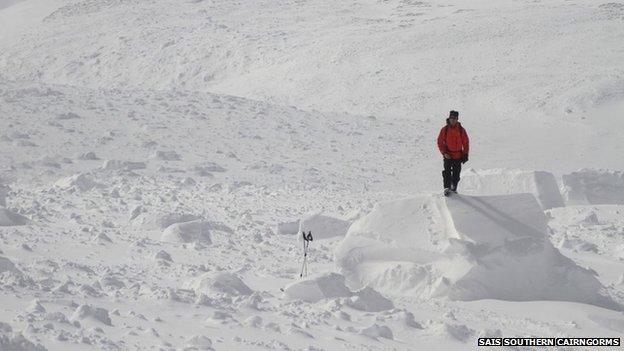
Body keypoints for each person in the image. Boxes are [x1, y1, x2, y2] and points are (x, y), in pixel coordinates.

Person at [437, 110, 469, 196]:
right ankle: (447, 188)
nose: (453, 120)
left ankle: (454, 188)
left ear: (457, 119)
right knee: (446, 172)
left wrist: (465, 154)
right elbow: (440, 142)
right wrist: (444, 153)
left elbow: (466, 142)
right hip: (448, 155)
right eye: (451, 118)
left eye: (455, 118)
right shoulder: (445, 129)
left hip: (458, 156)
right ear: (449, 118)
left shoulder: (461, 130)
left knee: (456, 174)